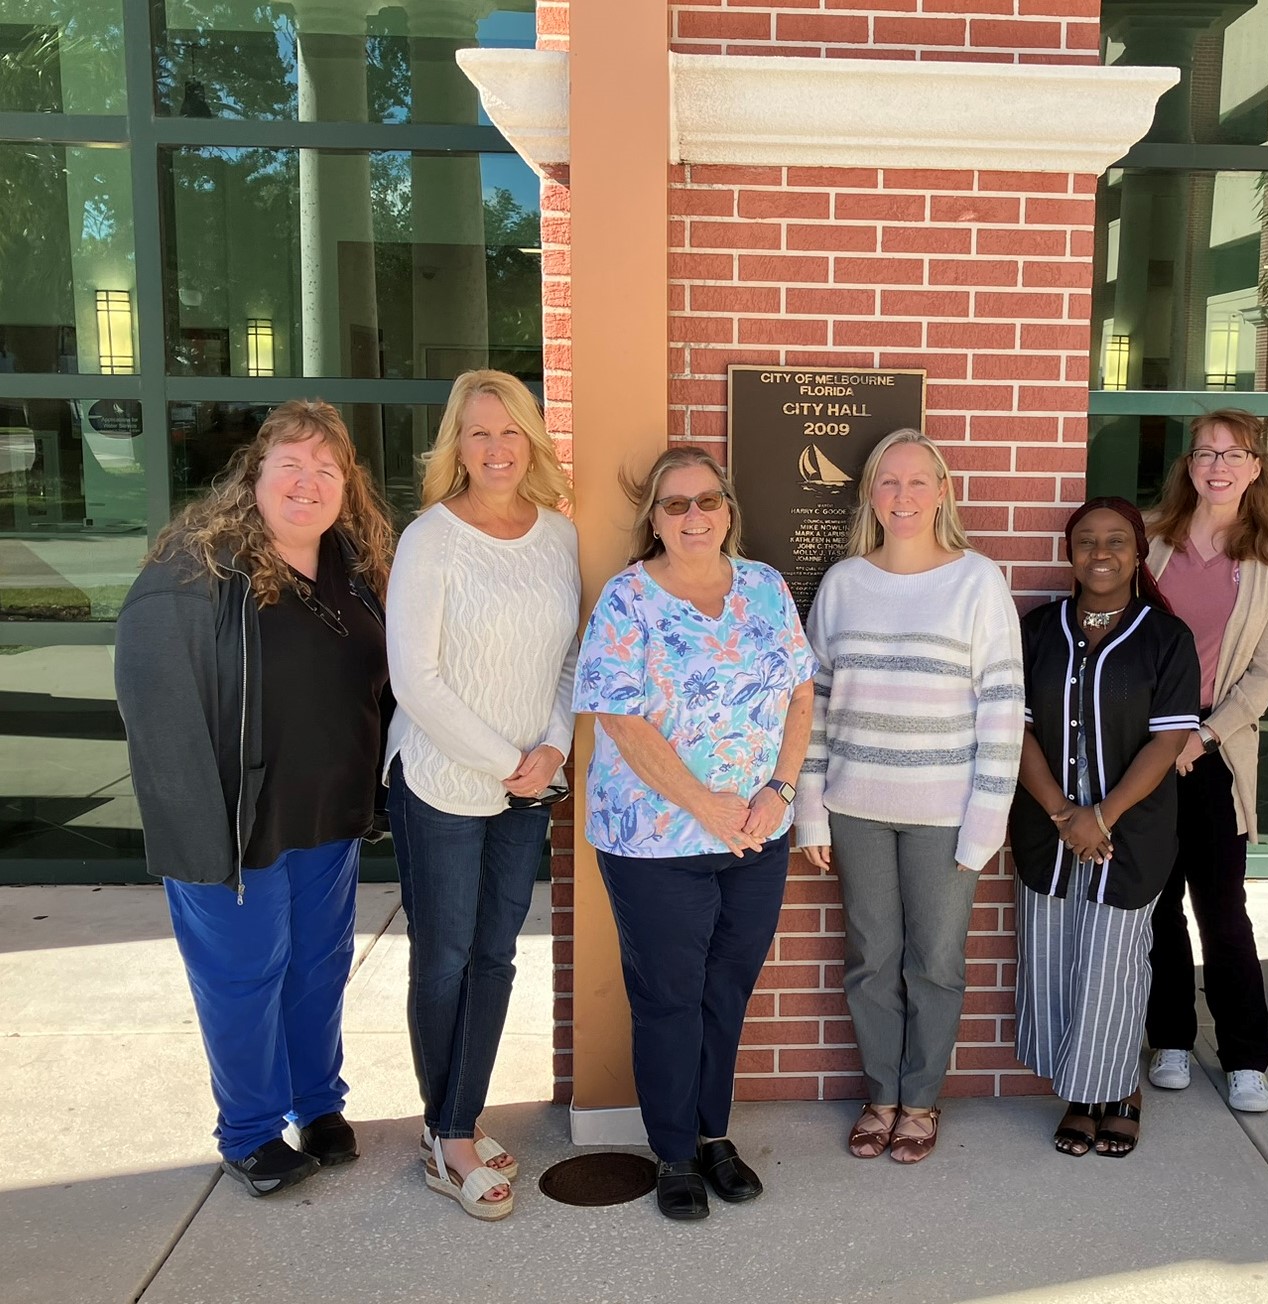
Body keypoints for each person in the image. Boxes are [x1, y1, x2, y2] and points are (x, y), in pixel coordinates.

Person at [114, 400, 393, 1197]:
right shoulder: (195, 572)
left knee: (317, 969)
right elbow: (156, 710)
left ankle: (317, 1105)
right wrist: (195, 837)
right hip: (233, 828)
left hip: (329, 817)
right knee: (243, 979)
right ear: (255, 474)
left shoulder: (353, 567)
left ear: (347, 487)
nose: (307, 484)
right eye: (291, 466)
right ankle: (248, 1132)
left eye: (326, 470)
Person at [574, 446, 816, 1222]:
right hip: (653, 840)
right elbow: (618, 714)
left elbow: (800, 697)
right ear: (654, 517)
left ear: (727, 510)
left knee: (725, 992)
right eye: (674, 504)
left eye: (705, 501)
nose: (692, 516)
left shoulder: (766, 589)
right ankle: (673, 1152)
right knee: (669, 998)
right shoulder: (627, 599)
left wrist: (778, 791)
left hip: (755, 836)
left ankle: (715, 1136)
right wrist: (703, 803)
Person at [796, 429, 1024, 1165]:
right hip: (855, 805)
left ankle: (919, 1101)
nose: (902, 496)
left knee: (934, 962)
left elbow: (1001, 706)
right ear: (869, 494)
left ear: (941, 491)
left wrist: (985, 822)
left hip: (945, 813)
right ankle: (879, 1098)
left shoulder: (977, 581)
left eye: (916, 482)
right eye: (887, 483)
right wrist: (808, 808)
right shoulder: (843, 583)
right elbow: (814, 701)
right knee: (869, 958)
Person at [385, 370, 579, 1222]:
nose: (495, 448)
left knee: (497, 956)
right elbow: (415, 679)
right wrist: (510, 758)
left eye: (509, 432)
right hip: (440, 779)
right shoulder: (430, 538)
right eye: (477, 434)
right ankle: (449, 1133)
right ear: (454, 447)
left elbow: (573, 659)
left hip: (529, 781)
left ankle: (453, 1120)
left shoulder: (560, 537)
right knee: (445, 956)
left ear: (531, 438)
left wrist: (554, 747)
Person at [1010, 497, 1199, 1159]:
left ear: (1137, 553)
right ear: (1069, 552)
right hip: (1048, 831)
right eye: (1085, 540)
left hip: (1130, 832)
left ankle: (1118, 1091)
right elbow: (1018, 729)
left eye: (1116, 540)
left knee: (1114, 965)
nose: (1099, 552)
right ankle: (1079, 1092)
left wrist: (1100, 816)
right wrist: (1065, 815)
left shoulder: (1163, 637)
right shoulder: (1037, 631)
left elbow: (1168, 740)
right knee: (1058, 960)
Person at [1141, 410, 1268, 1114]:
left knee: (1221, 910)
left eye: (1233, 454)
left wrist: (1202, 737)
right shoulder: (1152, 542)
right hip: (1145, 752)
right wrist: (1156, 742)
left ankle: (1244, 1056)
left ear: (1255, 468)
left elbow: (1266, 672)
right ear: (1188, 466)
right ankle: (1170, 1037)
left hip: (1213, 752)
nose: (1217, 465)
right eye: (1205, 452)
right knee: (1156, 907)